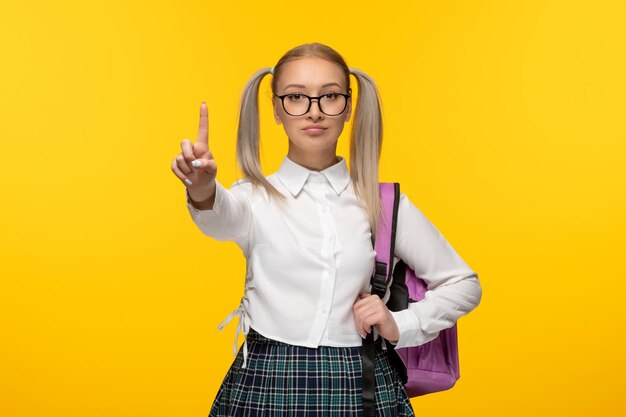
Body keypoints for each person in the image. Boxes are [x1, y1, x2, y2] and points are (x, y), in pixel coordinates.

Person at [171, 42, 482, 417]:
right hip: (267, 380)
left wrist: (401, 324)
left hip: (361, 382)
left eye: (330, 96)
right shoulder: (252, 199)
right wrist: (201, 187)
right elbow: (219, 217)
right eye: (296, 97)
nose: (314, 111)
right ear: (275, 109)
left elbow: (463, 283)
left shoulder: (382, 203)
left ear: (348, 107)